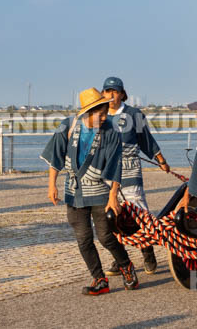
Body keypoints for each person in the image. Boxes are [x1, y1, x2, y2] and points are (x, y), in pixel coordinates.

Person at [42, 88, 138, 295]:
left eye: (105, 113)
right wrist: (52, 185)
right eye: (99, 114)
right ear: (87, 113)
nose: (103, 118)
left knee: (105, 236)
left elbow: (115, 164)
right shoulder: (68, 126)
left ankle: (126, 266)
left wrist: (113, 196)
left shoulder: (111, 130)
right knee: (83, 239)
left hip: (98, 190)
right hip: (73, 191)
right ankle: (99, 279)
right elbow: (55, 157)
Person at [100, 76, 170, 275]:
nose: (111, 95)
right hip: (107, 172)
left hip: (130, 169)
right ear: (103, 93)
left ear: (122, 94)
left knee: (139, 213)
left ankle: (147, 251)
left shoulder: (133, 114)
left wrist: (161, 160)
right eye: (108, 91)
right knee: (111, 216)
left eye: (115, 92)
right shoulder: (100, 115)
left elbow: (146, 140)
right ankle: (120, 258)